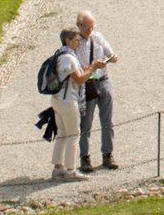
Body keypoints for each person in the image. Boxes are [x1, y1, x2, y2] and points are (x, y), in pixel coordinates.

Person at [46, 27, 102, 179]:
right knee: (73, 134)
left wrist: (92, 67)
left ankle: (58, 167)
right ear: (67, 40)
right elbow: (79, 79)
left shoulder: (61, 55)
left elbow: (77, 72)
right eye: (76, 40)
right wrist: (91, 71)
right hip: (68, 100)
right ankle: (70, 170)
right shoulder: (69, 58)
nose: (79, 42)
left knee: (63, 133)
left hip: (58, 100)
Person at [75, 9, 119, 172]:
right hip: (88, 84)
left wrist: (112, 58)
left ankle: (108, 154)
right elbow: (75, 68)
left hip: (104, 80)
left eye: (92, 27)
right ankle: (85, 157)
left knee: (107, 120)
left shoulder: (98, 37)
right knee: (86, 122)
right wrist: (93, 66)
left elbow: (112, 54)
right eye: (87, 28)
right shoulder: (75, 42)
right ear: (79, 26)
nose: (90, 31)